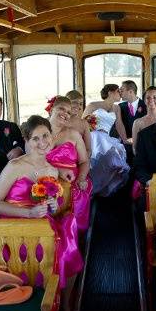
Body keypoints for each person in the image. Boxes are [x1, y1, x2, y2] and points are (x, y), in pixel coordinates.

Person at [0, 115, 83, 311]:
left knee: (69, 250)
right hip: (14, 224)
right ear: (27, 141)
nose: (42, 143)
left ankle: (63, 308)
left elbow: (54, 208)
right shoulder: (15, 166)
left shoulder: (51, 170)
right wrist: (29, 213)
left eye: (46, 136)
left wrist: (51, 205)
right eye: (36, 139)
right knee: (45, 253)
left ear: (52, 135)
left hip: (42, 223)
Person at [47, 96, 92, 232]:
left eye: (68, 112)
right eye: (61, 109)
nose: (65, 114)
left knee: (75, 194)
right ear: (51, 109)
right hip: (45, 178)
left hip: (73, 180)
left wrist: (81, 178)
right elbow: (31, 161)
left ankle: (72, 237)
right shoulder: (39, 133)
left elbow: (84, 161)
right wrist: (57, 170)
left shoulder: (73, 134)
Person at [82, 85, 130, 196]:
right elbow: (82, 123)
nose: (120, 94)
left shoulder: (116, 108)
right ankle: (89, 190)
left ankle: (99, 187)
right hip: (93, 137)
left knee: (114, 160)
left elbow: (119, 125)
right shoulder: (93, 105)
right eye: (118, 91)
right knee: (93, 164)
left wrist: (125, 140)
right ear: (110, 92)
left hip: (106, 139)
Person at [117, 80, 147, 163]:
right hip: (125, 146)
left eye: (122, 90)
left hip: (142, 145)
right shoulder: (120, 107)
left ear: (130, 91)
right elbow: (118, 126)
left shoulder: (146, 105)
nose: (120, 92)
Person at [132, 86, 156, 155]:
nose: (151, 100)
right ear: (144, 101)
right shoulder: (137, 123)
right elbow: (134, 148)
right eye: (148, 98)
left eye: (155, 97)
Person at [65, 90, 92, 158]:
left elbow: (88, 149)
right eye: (75, 102)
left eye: (80, 104)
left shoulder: (84, 124)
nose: (78, 106)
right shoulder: (59, 122)